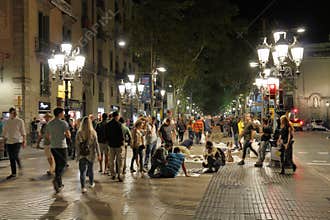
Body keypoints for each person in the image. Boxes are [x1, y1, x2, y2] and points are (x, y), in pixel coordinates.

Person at [45, 108, 71, 193]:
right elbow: (68, 135)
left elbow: (48, 136)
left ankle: (59, 184)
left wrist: (53, 138)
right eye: (62, 113)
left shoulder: (49, 123)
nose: (63, 114)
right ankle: (56, 180)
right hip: (62, 146)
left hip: (53, 146)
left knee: (57, 165)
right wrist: (63, 135)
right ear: (60, 114)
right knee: (63, 164)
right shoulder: (63, 123)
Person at [76, 116, 101, 193]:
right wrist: (99, 154)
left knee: (82, 171)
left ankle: (83, 187)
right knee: (90, 170)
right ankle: (91, 183)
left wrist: (78, 154)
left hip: (82, 154)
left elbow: (77, 145)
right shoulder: (93, 132)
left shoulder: (79, 133)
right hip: (91, 154)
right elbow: (96, 144)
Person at [2, 107, 26, 179]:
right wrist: (4, 140)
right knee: (11, 158)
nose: (14, 114)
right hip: (9, 141)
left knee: (14, 155)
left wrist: (24, 141)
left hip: (17, 141)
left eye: (15, 113)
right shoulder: (7, 121)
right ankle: (13, 173)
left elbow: (23, 131)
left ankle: (19, 165)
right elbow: (5, 131)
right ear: (10, 113)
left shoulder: (20, 121)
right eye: (12, 113)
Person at [106, 112, 125, 182]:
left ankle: (113, 174)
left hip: (111, 145)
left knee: (111, 160)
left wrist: (108, 141)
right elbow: (121, 135)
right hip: (118, 145)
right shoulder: (119, 124)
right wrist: (122, 142)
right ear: (117, 116)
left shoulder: (108, 124)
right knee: (119, 161)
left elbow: (106, 134)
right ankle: (119, 175)